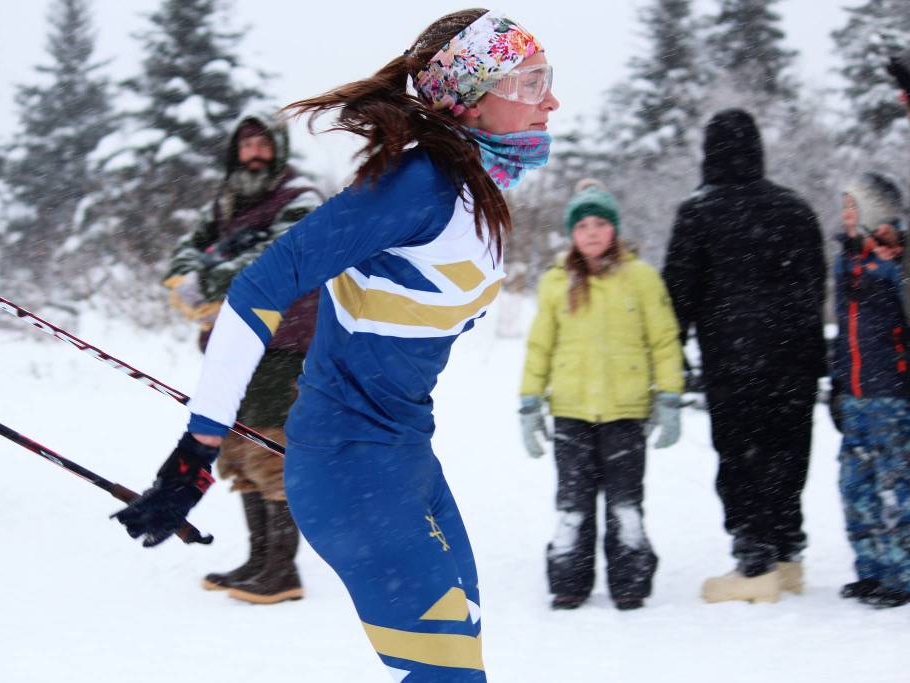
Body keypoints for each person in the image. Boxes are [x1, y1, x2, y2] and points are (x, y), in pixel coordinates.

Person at [113, 9, 558, 680]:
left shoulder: (476, 191)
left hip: (407, 458)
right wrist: (196, 453)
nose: (550, 98)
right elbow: (255, 290)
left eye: (546, 79)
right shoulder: (419, 186)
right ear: (468, 96)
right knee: (448, 673)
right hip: (350, 468)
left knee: (458, 661)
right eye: (529, 81)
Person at [662, 109, 827, 604]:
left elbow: (678, 295)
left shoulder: (698, 212)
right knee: (787, 450)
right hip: (793, 359)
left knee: (740, 454)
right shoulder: (796, 209)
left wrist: (675, 355)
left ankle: (755, 558)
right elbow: (816, 288)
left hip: (733, 360)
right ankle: (787, 550)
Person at [163, 110, 321, 604]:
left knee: (269, 451)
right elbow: (185, 251)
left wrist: (209, 279)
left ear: (278, 149)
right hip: (228, 347)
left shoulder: (300, 199)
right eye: (246, 145)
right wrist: (192, 274)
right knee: (234, 454)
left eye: (262, 144)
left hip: (283, 344)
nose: (254, 153)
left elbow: (278, 256)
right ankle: (259, 560)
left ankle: (283, 571)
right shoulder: (227, 202)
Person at [519, 179, 683, 611]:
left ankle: (630, 581)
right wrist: (530, 402)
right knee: (573, 505)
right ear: (572, 233)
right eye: (582, 225)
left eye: (600, 223)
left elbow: (664, 341)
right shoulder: (556, 282)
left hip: (625, 413)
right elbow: (540, 346)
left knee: (625, 504)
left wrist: (669, 397)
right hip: (571, 411)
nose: (591, 232)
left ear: (614, 229)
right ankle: (569, 580)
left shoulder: (641, 279)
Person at [831, 172, 910, 609]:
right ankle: (871, 569)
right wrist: (837, 384)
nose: (844, 215)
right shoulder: (845, 262)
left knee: (895, 488)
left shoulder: (895, 267)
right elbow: (844, 333)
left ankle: (901, 573)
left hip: (892, 397)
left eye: (853, 207)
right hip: (856, 396)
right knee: (854, 486)